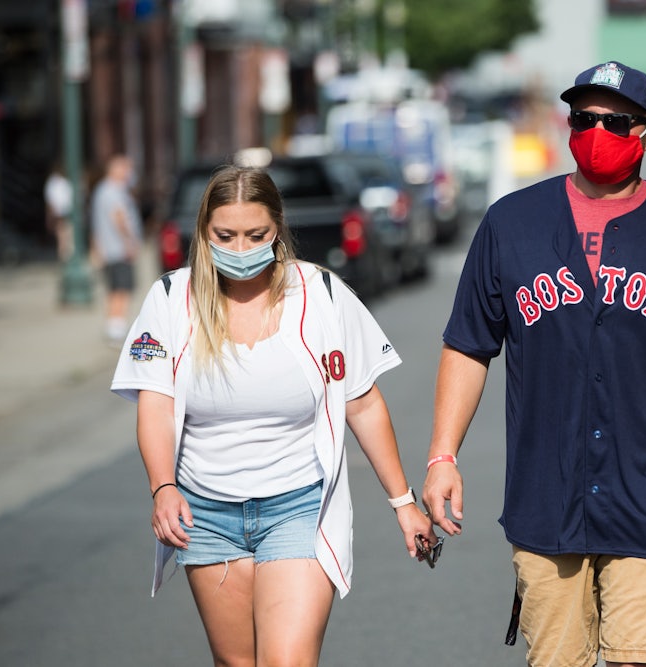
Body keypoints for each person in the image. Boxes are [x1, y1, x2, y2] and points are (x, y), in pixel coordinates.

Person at [421, 61, 646, 667]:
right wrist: (443, 455)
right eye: (584, 117)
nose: (597, 131)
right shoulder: (511, 223)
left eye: (616, 121)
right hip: (547, 501)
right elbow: (468, 345)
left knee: (641, 659)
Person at [110, 165, 436, 666]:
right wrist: (162, 487)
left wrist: (403, 502)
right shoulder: (172, 300)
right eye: (225, 236)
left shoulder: (321, 295)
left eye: (256, 235)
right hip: (206, 513)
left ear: (278, 230)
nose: (241, 249)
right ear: (204, 232)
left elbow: (362, 402)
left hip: (299, 507)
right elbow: (156, 402)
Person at [91, 154, 143, 344]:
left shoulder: (102, 190)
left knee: (113, 288)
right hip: (119, 249)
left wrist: (96, 247)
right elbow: (119, 218)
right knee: (122, 288)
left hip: (109, 249)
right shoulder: (114, 191)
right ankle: (117, 327)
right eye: (126, 169)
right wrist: (130, 242)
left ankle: (114, 324)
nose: (129, 173)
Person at [44, 165, 74, 262]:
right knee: (63, 237)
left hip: (68, 213)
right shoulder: (54, 182)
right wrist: (50, 216)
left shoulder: (67, 181)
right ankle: (65, 259)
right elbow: (51, 202)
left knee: (68, 236)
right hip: (60, 214)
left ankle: (68, 257)